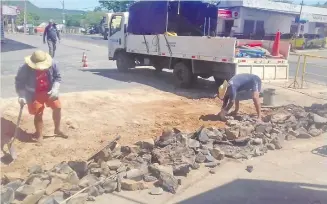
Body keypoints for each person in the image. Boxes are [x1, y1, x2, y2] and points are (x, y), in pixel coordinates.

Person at [15, 50, 68, 145]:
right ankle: (39, 135)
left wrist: (55, 88)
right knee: (38, 113)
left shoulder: (53, 64)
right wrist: (21, 96)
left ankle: (57, 130)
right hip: (34, 93)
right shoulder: (24, 68)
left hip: (49, 91)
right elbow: (19, 82)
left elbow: (57, 77)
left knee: (57, 107)